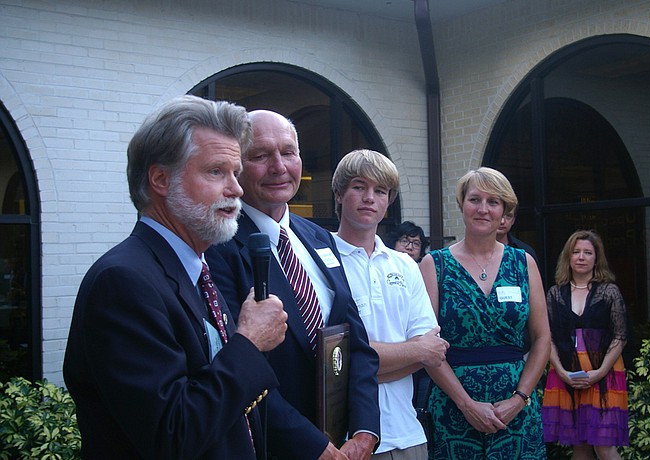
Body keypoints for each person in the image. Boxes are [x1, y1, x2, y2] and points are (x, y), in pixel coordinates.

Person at [63, 95, 289, 459]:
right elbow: (172, 435)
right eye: (216, 171)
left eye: (235, 172)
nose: (236, 188)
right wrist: (249, 342)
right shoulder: (122, 282)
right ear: (160, 179)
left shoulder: (196, 270)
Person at [206, 110, 380, 460]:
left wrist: (365, 431)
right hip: (277, 447)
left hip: (343, 442)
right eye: (260, 155)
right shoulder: (216, 248)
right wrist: (312, 447)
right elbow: (233, 364)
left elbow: (356, 342)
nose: (279, 167)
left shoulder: (319, 238)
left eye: (288, 152)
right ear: (236, 167)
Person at [419, 166, 550, 459]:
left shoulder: (523, 263)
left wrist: (520, 398)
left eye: (493, 202)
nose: (483, 209)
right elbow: (426, 344)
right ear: (462, 204)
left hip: (516, 409)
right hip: (454, 407)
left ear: (504, 212)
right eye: (475, 199)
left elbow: (542, 338)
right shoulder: (434, 265)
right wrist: (466, 404)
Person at [330, 149, 449, 459]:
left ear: (389, 201)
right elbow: (331, 361)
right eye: (359, 187)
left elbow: (430, 352)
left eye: (380, 191)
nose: (369, 198)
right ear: (339, 193)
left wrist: (361, 366)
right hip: (343, 441)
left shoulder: (405, 265)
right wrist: (412, 351)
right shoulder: (318, 260)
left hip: (407, 435)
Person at [541, 230, 629, 459]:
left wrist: (600, 372)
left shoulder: (609, 291)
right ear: (568, 257)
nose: (581, 257)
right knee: (579, 445)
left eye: (588, 252)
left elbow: (620, 336)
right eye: (576, 252)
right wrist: (562, 372)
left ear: (596, 258)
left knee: (603, 446)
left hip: (605, 374)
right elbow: (547, 337)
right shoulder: (554, 293)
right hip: (566, 374)